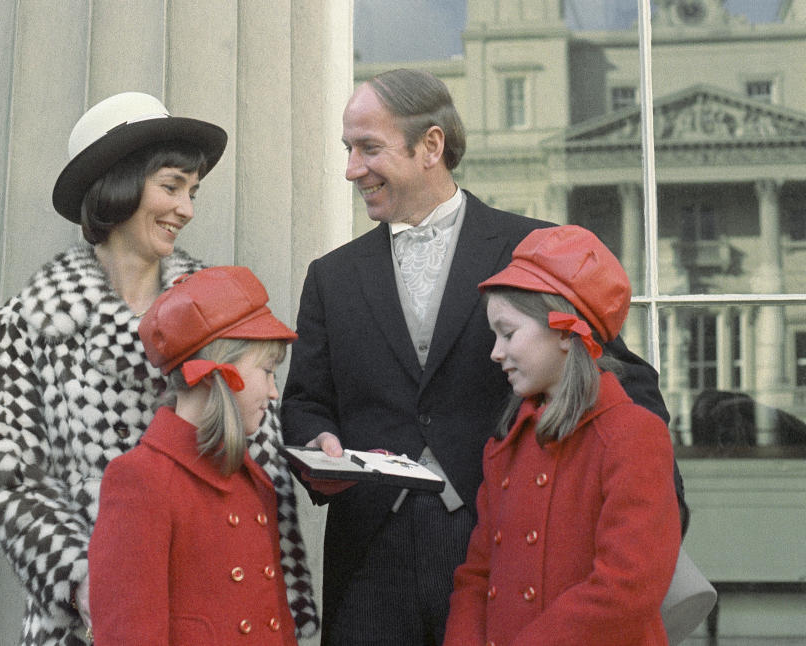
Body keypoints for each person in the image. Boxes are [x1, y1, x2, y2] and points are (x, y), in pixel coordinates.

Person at [281, 68, 684, 646]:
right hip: (369, 553)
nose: (352, 169)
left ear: (431, 146)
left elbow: (626, 383)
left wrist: (654, 510)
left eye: (369, 148)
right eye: (348, 149)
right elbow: (305, 402)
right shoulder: (331, 277)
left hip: (496, 551)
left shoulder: (535, 248)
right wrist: (318, 445)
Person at [0, 92, 317, 645]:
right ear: (119, 187)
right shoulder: (26, 326)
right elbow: (12, 481)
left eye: (192, 191)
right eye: (171, 186)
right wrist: (86, 579)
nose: (186, 208)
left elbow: (261, 468)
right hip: (86, 616)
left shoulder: (222, 310)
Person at [443, 225, 681, 645]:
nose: (495, 352)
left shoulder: (633, 435)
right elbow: (477, 577)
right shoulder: (505, 447)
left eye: (509, 333)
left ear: (568, 333)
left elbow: (627, 588)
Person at [89, 266, 301, 645]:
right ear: (218, 372)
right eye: (267, 371)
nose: (273, 392)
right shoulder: (140, 480)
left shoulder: (252, 481)